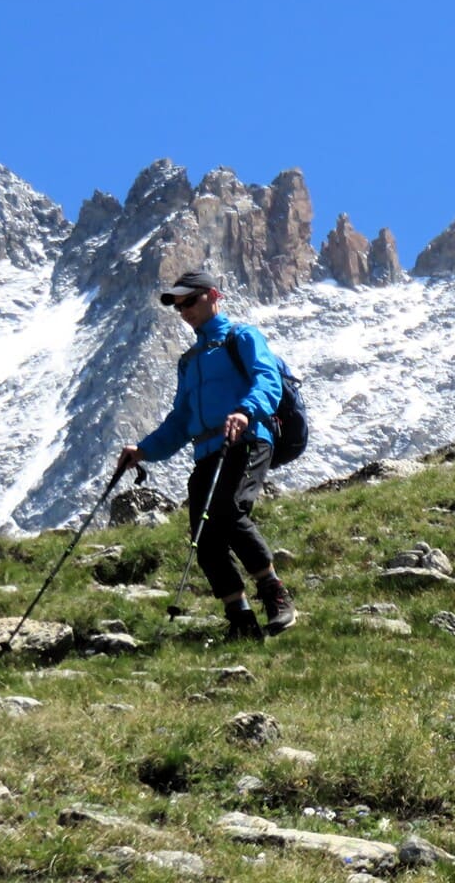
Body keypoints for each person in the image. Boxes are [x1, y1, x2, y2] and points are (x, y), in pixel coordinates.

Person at [115, 270, 295, 642]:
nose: (184, 311)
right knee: (204, 535)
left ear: (214, 296)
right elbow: (181, 420)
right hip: (207, 451)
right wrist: (144, 450)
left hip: (246, 440)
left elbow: (267, 380)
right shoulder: (190, 360)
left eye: (190, 301)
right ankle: (241, 621)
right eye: (178, 306)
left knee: (229, 512)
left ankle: (274, 594)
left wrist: (246, 411)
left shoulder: (241, 337)